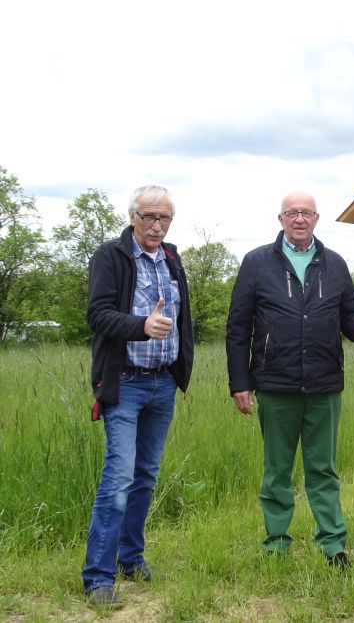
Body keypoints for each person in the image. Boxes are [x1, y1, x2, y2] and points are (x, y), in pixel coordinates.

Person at [226, 191, 354, 567]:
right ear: (280, 219)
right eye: (292, 213)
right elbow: (237, 328)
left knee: (323, 470)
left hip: (324, 383)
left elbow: (350, 317)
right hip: (274, 383)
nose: (299, 219)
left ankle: (333, 546)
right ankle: (276, 544)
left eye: (306, 213)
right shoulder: (256, 263)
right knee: (277, 470)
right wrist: (240, 383)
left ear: (316, 219)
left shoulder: (334, 264)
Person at [82, 185, 194, 608]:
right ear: (133, 217)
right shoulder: (111, 256)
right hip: (124, 383)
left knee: (145, 475)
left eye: (164, 218)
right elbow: (97, 314)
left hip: (162, 383)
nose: (156, 225)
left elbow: (183, 318)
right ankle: (98, 577)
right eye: (149, 216)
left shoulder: (171, 259)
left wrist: (181, 369)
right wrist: (141, 326)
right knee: (119, 478)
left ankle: (130, 559)